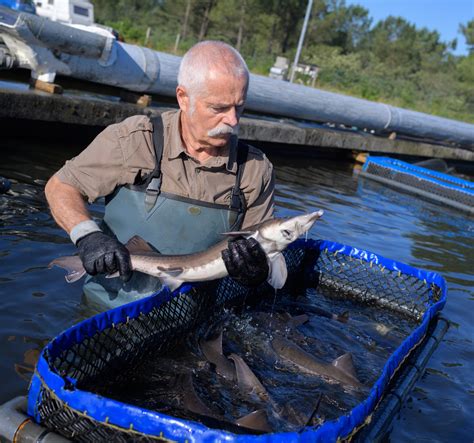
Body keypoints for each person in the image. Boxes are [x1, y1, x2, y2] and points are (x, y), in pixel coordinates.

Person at [45, 41, 275, 311]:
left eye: (240, 107)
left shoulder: (254, 168)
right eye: (219, 108)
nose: (233, 121)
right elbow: (61, 186)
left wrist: (255, 271)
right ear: (183, 97)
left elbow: (263, 259)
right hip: (109, 308)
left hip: (190, 313)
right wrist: (88, 237)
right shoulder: (135, 140)